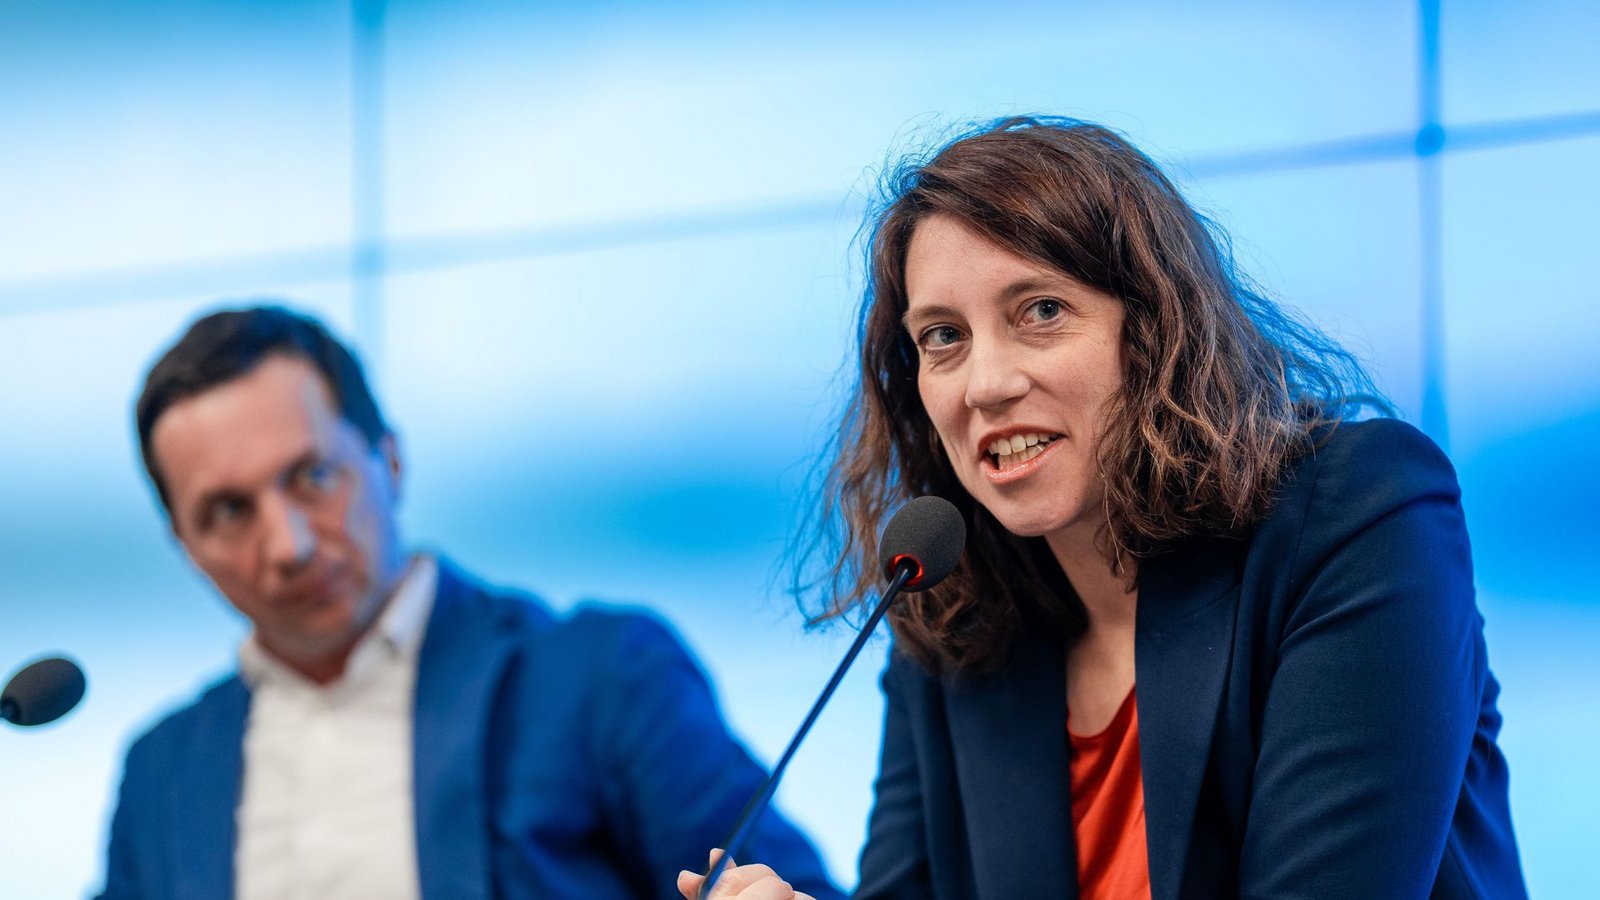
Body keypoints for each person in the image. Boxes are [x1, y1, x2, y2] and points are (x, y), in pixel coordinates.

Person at [682, 117, 1526, 899]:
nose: (986, 384)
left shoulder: (1359, 516)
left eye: (1041, 311)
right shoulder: (952, 615)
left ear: (1155, 330)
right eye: (943, 337)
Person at [98, 306, 842, 900]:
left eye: (312, 478)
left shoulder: (598, 679)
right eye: (228, 512)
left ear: (390, 460)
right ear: (185, 547)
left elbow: (785, 891)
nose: (287, 544)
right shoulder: (163, 774)